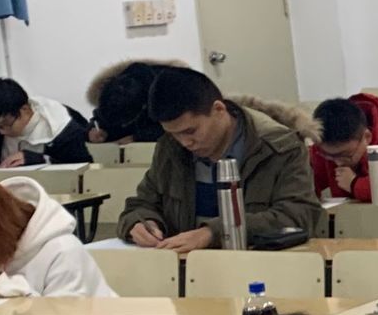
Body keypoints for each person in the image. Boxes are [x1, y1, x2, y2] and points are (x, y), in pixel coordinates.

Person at [118, 69, 319, 250]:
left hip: (260, 264)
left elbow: (298, 215)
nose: (185, 142)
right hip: (187, 267)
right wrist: (141, 223)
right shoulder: (170, 148)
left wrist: (212, 233)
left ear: (219, 110)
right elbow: (142, 204)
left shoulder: (279, 147)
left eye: (190, 131)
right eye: (174, 134)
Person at [0, 79, 92, 169]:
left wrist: (39, 159)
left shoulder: (61, 124)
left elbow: (84, 166)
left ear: (25, 110)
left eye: (6, 125)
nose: (2, 132)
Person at [86, 59, 181, 145]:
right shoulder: (113, 91)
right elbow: (100, 119)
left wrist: (137, 138)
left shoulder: (171, 91)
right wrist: (95, 131)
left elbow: (177, 127)